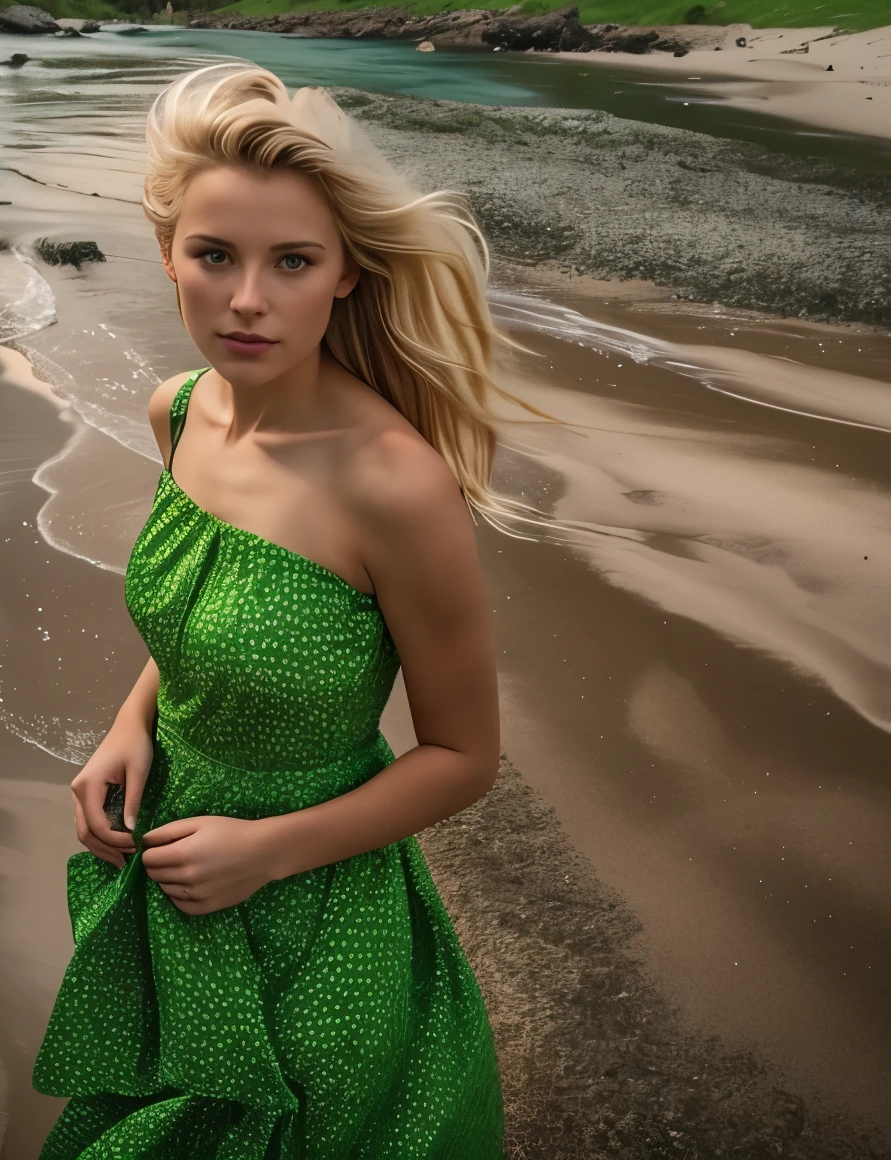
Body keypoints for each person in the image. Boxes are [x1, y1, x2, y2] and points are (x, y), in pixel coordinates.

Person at [34, 63, 537, 1157]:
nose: (247, 299)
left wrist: (266, 851)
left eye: (292, 262)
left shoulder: (393, 486)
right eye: (215, 256)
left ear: (347, 273)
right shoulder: (178, 412)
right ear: (170, 255)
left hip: (319, 917)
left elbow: (463, 755)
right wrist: (130, 726)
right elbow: (209, 613)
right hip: (168, 869)